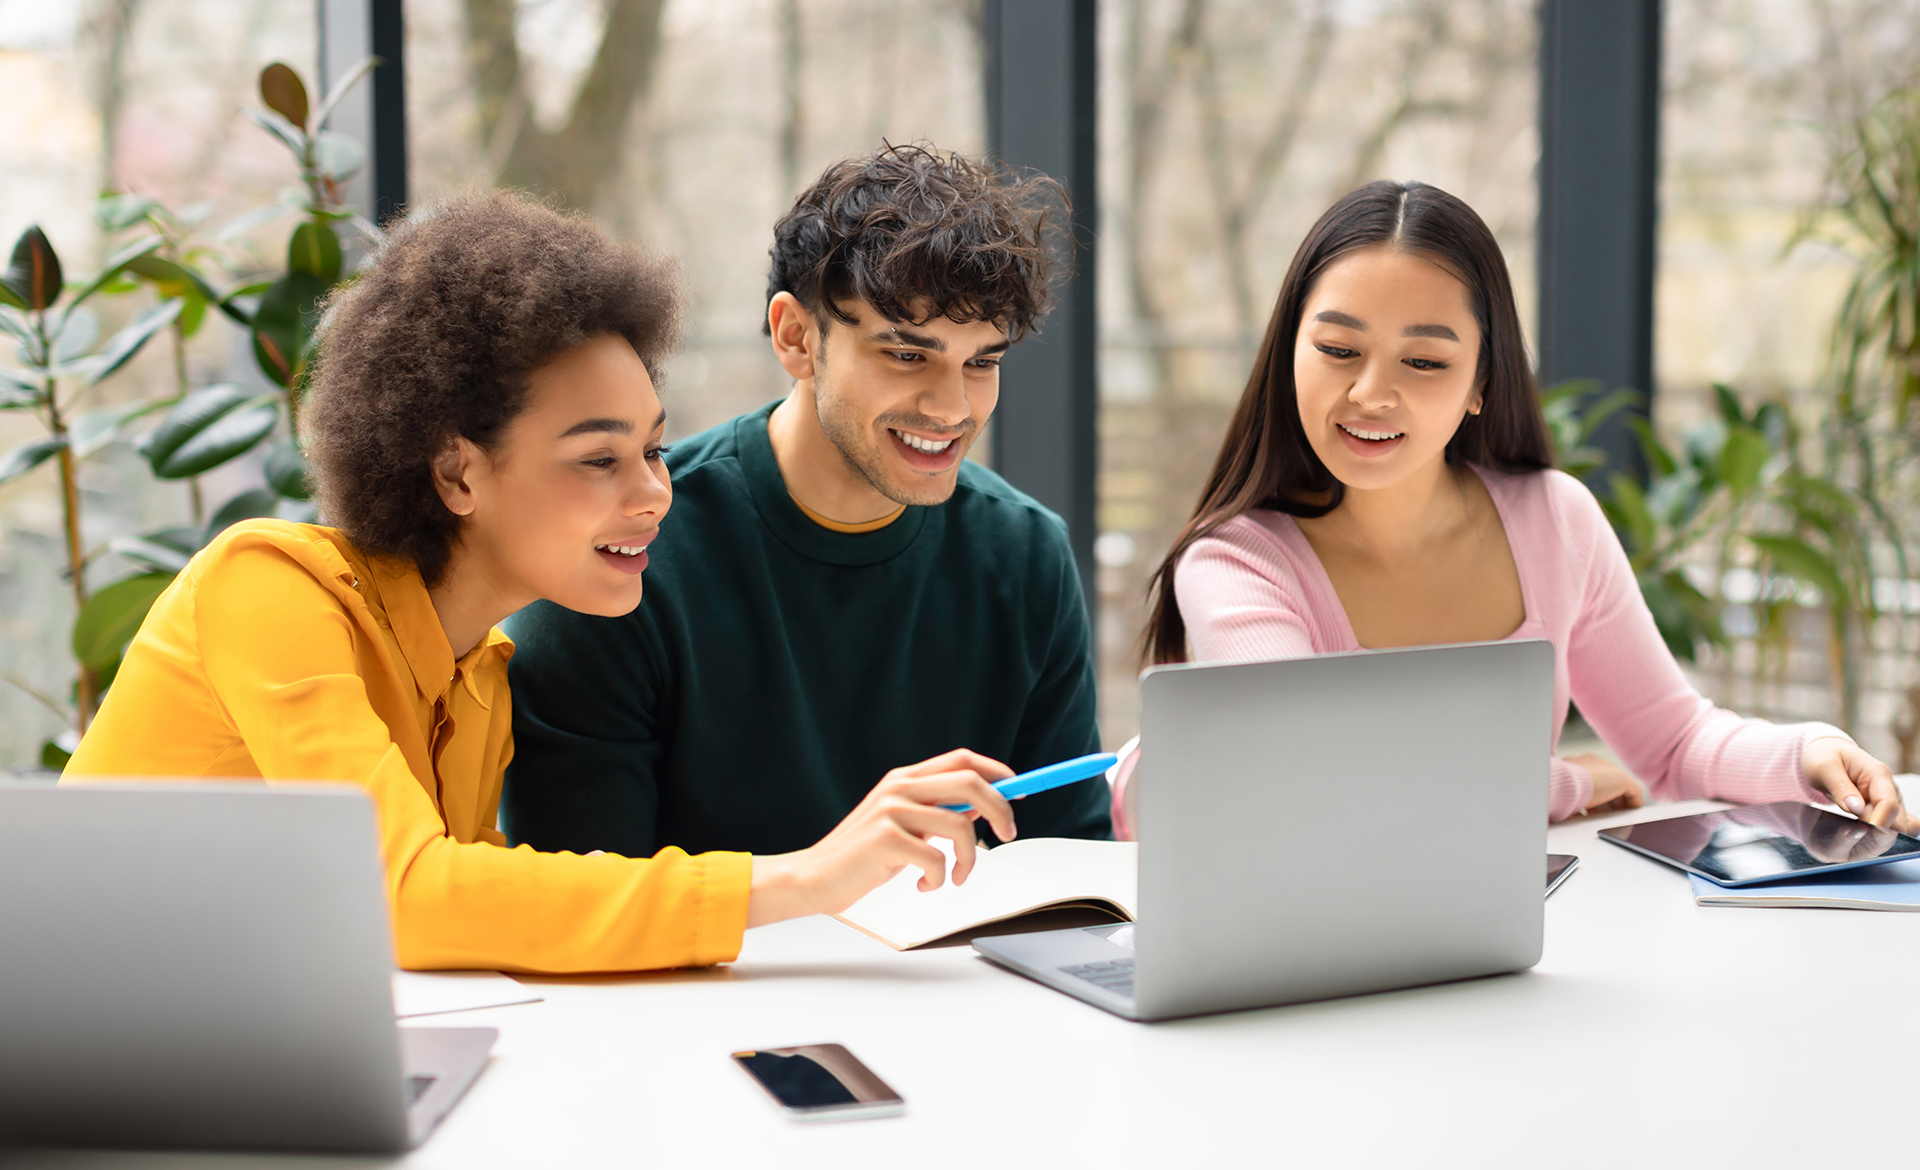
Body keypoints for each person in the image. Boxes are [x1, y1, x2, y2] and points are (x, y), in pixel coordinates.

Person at [61, 191, 1023, 974]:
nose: (656, 493)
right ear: (457, 474)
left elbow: (487, 916)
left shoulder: (481, 676)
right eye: (599, 460)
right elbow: (408, 895)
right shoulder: (267, 586)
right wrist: (806, 878)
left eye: (652, 449)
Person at [1124, 179, 1914, 836]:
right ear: (1287, 351)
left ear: (1479, 384)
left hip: (1499, 944)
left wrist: (1808, 752)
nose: (1370, 393)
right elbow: (1326, 782)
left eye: (1425, 360)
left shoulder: (1553, 520)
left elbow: (1672, 743)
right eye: (1336, 350)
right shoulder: (1236, 562)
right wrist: (1567, 782)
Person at [500, 144, 1112, 859]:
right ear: (796, 337)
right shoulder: (621, 557)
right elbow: (584, 916)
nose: (952, 409)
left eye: (982, 362)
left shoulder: (1026, 555)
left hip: (963, 974)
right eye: (907, 354)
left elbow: (1071, 877)